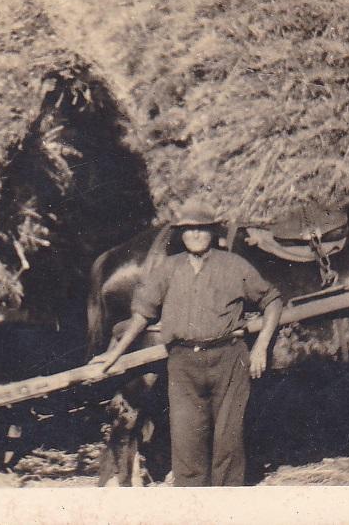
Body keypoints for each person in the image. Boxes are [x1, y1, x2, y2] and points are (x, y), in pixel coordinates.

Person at [96, 196, 284, 487]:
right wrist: (114, 354)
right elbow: (142, 315)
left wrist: (260, 347)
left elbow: (272, 301)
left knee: (228, 445)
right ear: (180, 234)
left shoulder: (235, 265)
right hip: (183, 364)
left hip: (229, 361)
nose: (195, 234)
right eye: (188, 229)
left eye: (202, 228)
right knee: (186, 445)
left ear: (212, 231)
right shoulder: (168, 269)